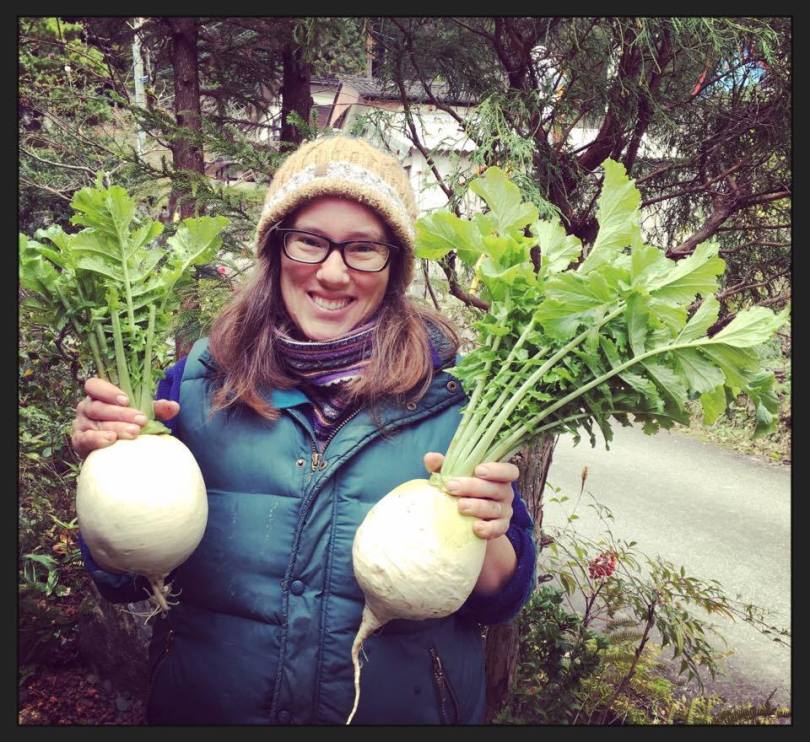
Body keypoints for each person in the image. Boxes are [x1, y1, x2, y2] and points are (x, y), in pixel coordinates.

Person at [71, 134, 537, 725]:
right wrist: (107, 466)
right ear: (275, 249)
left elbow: (499, 601)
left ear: (394, 265)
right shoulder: (190, 389)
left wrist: (488, 528)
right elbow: (126, 580)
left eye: (363, 248)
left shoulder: (459, 400)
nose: (334, 272)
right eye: (310, 241)